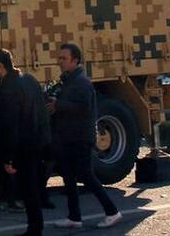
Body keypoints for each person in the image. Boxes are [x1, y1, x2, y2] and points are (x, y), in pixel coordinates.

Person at [48, 43, 122, 229]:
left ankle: (112, 212)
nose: (60, 62)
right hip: (68, 137)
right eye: (60, 58)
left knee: (86, 176)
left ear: (75, 60)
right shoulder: (69, 81)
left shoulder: (81, 82)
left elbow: (83, 108)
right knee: (69, 177)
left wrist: (59, 105)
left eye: (64, 58)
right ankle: (74, 217)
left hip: (80, 138)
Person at [0, 48, 50, 236]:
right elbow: (41, 112)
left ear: (0, 66)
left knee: (27, 189)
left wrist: (9, 158)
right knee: (32, 188)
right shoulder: (29, 80)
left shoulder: (8, 89)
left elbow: (11, 125)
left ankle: (34, 229)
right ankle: (35, 226)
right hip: (35, 142)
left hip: (21, 146)